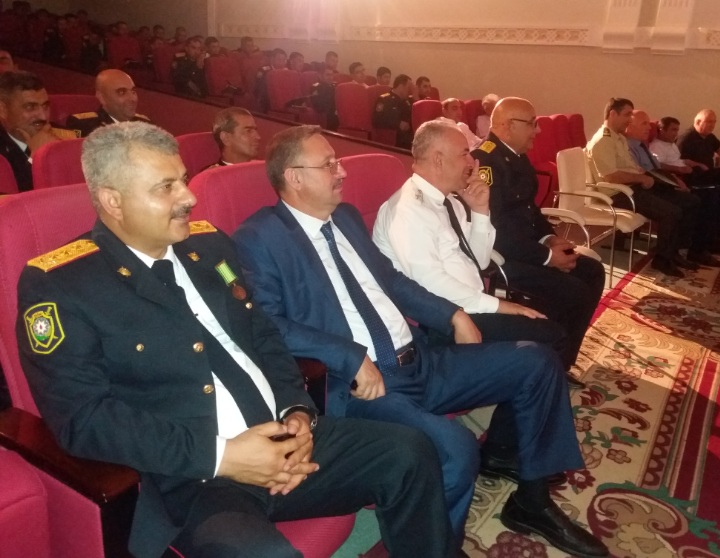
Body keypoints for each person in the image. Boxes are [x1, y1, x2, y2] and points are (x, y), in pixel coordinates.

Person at [16, 121, 455, 558]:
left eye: (183, 180)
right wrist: (223, 457)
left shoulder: (209, 246)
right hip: (195, 478)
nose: (188, 197)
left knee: (410, 450)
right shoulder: (62, 285)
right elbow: (85, 419)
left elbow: (263, 335)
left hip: (282, 437)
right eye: (166, 187)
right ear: (113, 201)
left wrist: (297, 412)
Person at [233, 125, 609, 558]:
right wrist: (347, 356)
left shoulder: (347, 218)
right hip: (363, 386)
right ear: (295, 177)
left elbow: (391, 280)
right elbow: (265, 322)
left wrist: (452, 314)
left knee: (537, 361)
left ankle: (532, 501)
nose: (342, 172)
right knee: (455, 451)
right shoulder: (259, 238)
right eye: (329, 164)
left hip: (420, 358)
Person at [373, 120, 579, 386]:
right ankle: (530, 389)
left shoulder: (449, 201)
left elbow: (479, 261)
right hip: (445, 319)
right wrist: (501, 306)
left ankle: (536, 385)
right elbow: (431, 285)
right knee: (552, 337)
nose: (472, 161)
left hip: (472, 302)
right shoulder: (408, 211)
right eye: (464, 154)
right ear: (438, 160)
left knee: (550, 321)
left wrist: (481, 210)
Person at [472, 97, 605, 374]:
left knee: (592, 270)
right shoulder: (486, 162)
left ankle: (562, 360)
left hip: (530, 248)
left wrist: (550, 238)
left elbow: (530, 209)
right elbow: (494, 232)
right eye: (532, 124)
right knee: (574, 292)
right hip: (503, 258)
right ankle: (548, 361)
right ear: (508, 126)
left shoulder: (516, 156)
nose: (538, 130)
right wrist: (547, 257)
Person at [586, 98, 700, 276]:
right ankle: (662, 260)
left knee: (690, 201)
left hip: (634, 187)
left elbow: (630, 167)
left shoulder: (618, 137)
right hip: (618, 194)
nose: (629, 119)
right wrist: (641, 178)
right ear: (612, 114)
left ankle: (673, 251)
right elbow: (611, 176)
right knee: (671, 212)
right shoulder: (603, 140)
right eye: (627, 115)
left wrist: (648, 176)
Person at [624, 110, 717, 266]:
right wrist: (674, 178)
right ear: (630, 126)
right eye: (644, 123)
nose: (650, 127)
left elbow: (657, 167)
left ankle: (680, 249)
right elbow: (644, 172)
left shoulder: (641, 145)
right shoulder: (627, 146)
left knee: (694, 200)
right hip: (644, 187)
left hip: (660, 182)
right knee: (676, 209)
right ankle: (664, 258)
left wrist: (674, 180)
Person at [0, 71, 77, 192]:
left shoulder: (66, 137)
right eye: (30, 107)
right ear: (3, 110)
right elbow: (15, 200)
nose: (43, 116)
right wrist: (36, 158)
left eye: (45, 106)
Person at [66, 69, 151, 137]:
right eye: (121, 92)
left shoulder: (145, 124)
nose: (132, 99)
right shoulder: (84, 125)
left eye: (133, 91)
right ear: (102, 98)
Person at [678, 109, 720, 187]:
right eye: (709, 122)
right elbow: (680, 161)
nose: (712, 125)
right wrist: (699, 165)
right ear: (698, 122)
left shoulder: (709, 136)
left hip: (709, 173)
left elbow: (718, 148)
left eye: (714, 122)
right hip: (695, 177)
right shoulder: (686, 139)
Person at [373, 74, 415, 149]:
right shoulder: (385, 99)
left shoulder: (407, 102)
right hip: (394, 135)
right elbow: (377, 120)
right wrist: (398, 124)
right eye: (408, 88)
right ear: (401, 86)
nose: (410, 92)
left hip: (408, 136)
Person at [255, 48, 287, 112]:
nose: (281, 62)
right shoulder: (264, 71)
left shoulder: (286, 71)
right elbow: (261, 90)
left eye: (283, 60)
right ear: (272, 59)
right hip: (268, 100)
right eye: (279, 59)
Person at [309, 66, 338, 131]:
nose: (330, 77)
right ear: (320, 76)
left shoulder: (334, 87)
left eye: (331, 75)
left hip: (335, 113)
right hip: (326, 114)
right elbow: (319, 106)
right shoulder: (316, 87)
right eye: (327, 75)